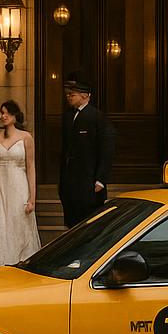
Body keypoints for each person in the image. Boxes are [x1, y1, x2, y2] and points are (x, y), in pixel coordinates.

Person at [0, 100, 41, 267]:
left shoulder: (26, 137)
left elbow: (30, 167)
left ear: (15, 115)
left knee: (18, 225)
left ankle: (19, 263)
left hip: (19, 186)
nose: (3, 116)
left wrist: (32, 198)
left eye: (6, 113)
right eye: (1, 113)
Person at [60, 74, 116, 228]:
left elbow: (107, 150)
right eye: (68, 95)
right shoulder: (67, 117)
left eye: (72, 94)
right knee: (72, 224)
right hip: (70, 183)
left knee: (90, 225)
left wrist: (100, 179)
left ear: (84, 95)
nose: (69, 97)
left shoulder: (97, 117)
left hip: (89, 183)